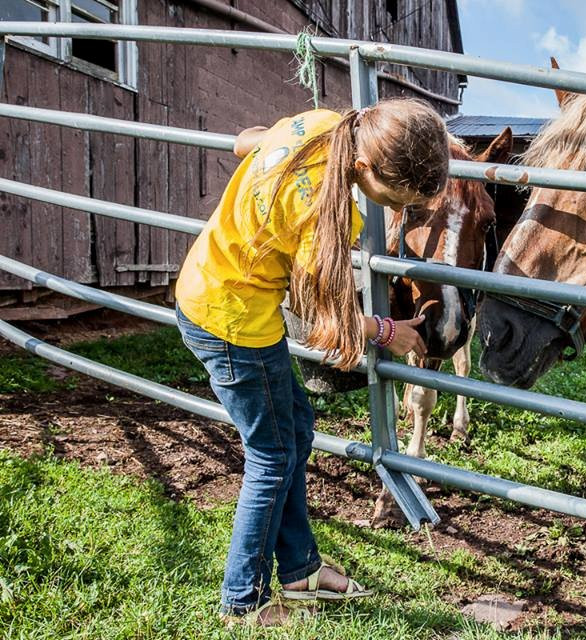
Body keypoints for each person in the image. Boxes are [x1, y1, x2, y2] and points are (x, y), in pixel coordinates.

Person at [174, 98, 449, 626]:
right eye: (396, 200)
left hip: (217, 293)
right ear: (364, 170)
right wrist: (387, 330)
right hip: (231, 323)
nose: (396, 211)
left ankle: (300, 570)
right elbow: (323, 319)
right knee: (273, 455)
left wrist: (266, 150)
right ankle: (243, 602)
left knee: (295, 428)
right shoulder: (324, 212)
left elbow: (246, 140)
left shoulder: (323, 125)